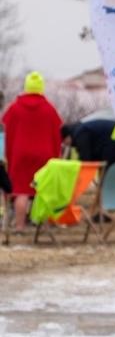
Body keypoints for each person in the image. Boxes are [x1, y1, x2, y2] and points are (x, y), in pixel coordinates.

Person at [1, 71, 62, 232]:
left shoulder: (15, 108)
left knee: (21, 190)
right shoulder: (49, 109)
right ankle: (44, 225)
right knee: (43, 190)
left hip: (21, 155)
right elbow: (57, 135)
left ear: (26, 87)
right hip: (45, 155)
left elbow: (9, 133)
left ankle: (20, 226)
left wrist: (9, 156)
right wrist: (57, 156)